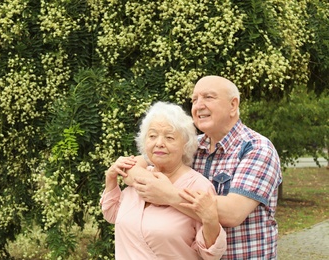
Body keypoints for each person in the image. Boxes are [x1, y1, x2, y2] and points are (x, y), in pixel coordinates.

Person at [126, 76, 282, 259]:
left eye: (208, 97)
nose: (198, 105)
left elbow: (233, 213)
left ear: (233, 105)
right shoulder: (191, 146)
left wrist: (168, 194)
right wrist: (140, 178)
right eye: (194, 99)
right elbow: (134, 166)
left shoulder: (257, 148)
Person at [100, 101, 227, 260]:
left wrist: (210, 220)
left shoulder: (198, 186)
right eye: (152, 136)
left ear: (185, 145)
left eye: (169, 137)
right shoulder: (138, 177)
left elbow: (211, 253)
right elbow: (112, 215)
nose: (159, 143)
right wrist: (110, 180)